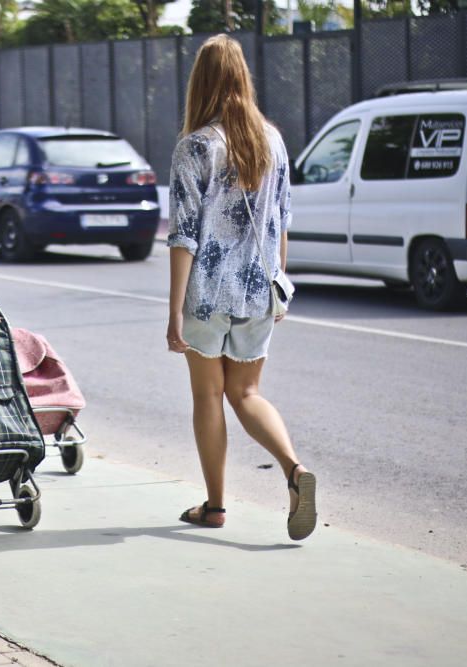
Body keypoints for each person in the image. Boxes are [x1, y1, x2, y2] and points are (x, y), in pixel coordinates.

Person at [165, 34, 317, 541]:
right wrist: (278, 284)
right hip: (258, 290)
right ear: (243, 78)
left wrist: (173, 314)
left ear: (201, 82)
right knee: (248, 392)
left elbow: (185, 235)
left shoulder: (196, 146)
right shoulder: (271, 140)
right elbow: (283, 220)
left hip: (208, 293)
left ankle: (215, 506)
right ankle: (294, 470)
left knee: (209, 396)